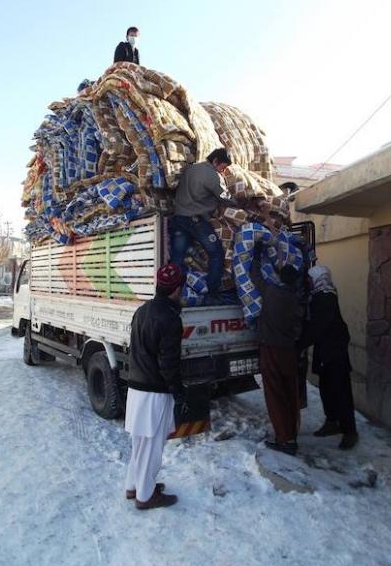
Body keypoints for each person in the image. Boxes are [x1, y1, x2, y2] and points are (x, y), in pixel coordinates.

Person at [125, 263, 186, 509]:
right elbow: (169, 363)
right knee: (152, 446)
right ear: (177, 289)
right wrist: (179, 392)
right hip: (154, 392)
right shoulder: (170, 319)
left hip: (136, 389)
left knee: (139, 443)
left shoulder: (142, 310)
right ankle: (145, 496)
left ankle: (133, 486)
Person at [297, 265, 358, 450]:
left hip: (334, 350)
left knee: (341, 390)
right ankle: (332, 421)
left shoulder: (325, 296)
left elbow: (317, 326)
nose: (308, 281)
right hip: (326, 349)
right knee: (326, 387)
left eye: (309, 278)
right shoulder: (319, 294)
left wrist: (299, 345)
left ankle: (349, 431)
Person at [170, 147, 233, 304]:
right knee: (216, 253)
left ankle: (172, 294)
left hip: (179, 218)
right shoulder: (212, 176)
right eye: (223, 167)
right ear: (216, 161)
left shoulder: (192, 168)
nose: (223, 171)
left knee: (177, 258)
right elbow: (225, 197)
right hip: (195, 220)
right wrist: (240, 200)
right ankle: (212, 294)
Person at [258, 265, 304, 456]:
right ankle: (292, 433)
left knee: (275, 394)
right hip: (289, 351)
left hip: (271, 350)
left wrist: (257, 256)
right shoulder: (297, 299)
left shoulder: (271, 292)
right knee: (290, 392)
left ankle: (284, 439)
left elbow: (255, 276)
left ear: (281, 278)